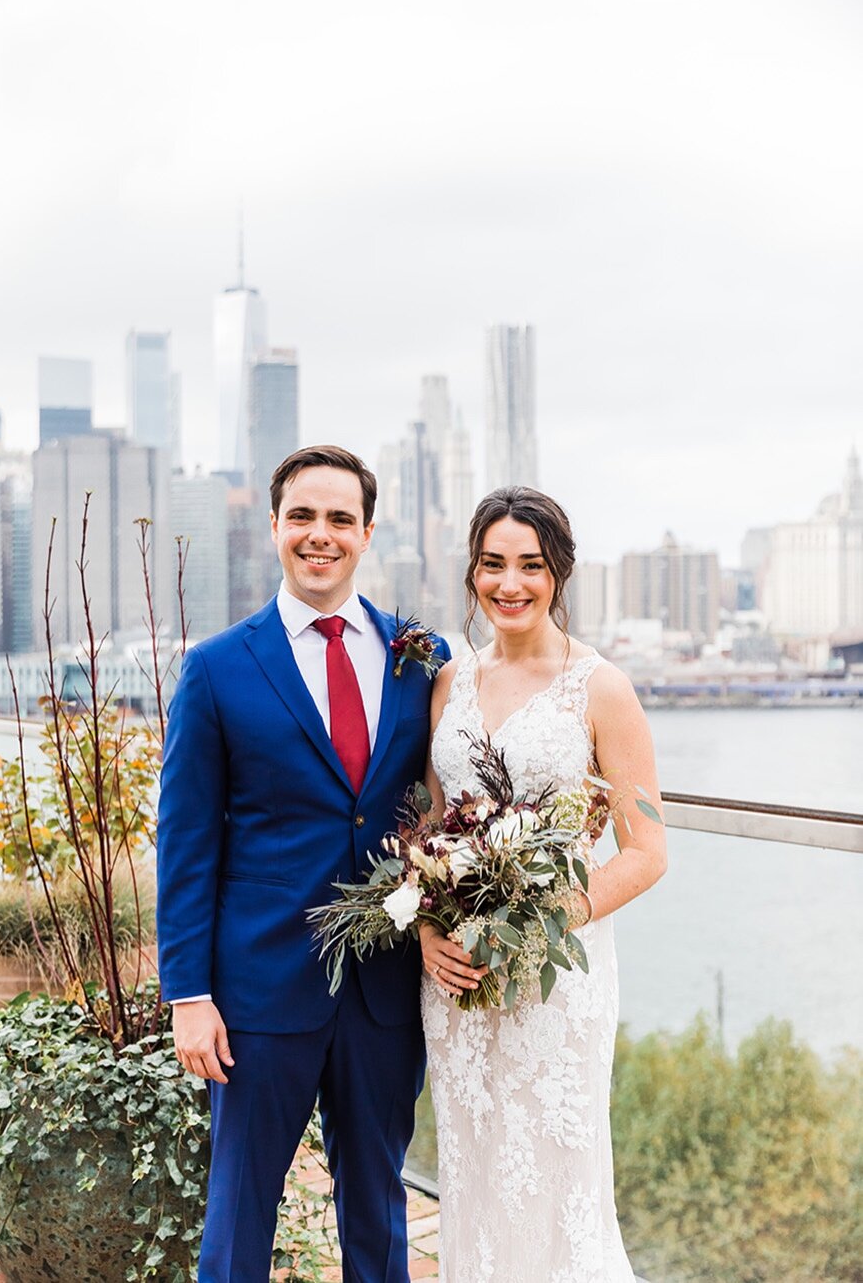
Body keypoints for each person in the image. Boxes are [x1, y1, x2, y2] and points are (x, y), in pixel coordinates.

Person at [155, 445, 450, 1283]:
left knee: (379, 1216)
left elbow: (436, 804)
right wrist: (188, 995)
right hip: (256, 995)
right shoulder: (217, 668)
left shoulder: (418, 657)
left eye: (340, 519)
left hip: (384, 990)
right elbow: (184, 842)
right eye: (303, 517)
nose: (320, 535)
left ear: (365, 533)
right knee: (240, 1218)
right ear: (275, 528)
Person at [419, 486, 666, 1283]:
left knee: (556, 1184)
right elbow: (429, 829)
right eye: (493, 565)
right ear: (473, 573)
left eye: (530, 565)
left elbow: (648, 850)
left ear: (558, 573)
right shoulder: (449, 681)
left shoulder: (602, 689)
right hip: (457, 983)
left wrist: (551, 917)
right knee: (472, 1177)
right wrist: (427, 932)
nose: (510, 584)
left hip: (554, 984)